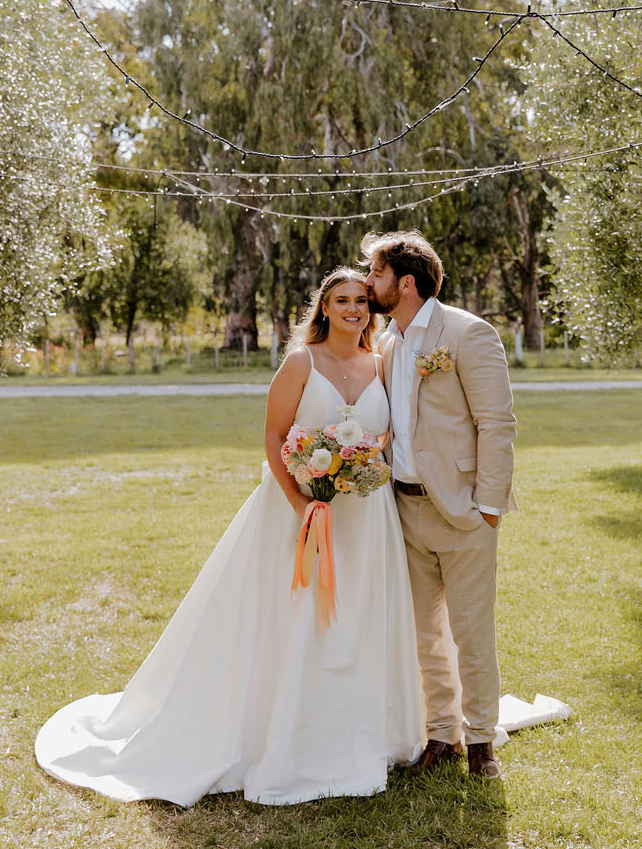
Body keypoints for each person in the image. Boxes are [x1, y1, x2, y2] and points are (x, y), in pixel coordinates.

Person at [35, 268, 424, 806]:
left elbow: (384, 433)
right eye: (342, 300)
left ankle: (363, 729)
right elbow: (272, 434)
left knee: (360, 616)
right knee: (297, 619)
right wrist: (302, 502)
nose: (354, 309)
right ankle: (287, 733)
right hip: (295, 513)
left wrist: (360, 465)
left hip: (365, 516)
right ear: (324, 308)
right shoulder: (301, 362)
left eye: (361, 300)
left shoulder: (381, 361)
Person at [362, 231, 517, 781]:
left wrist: (489, 506)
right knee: (424, 634)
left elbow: (496, 424)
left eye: (375, 274)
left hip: (464, 511)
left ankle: (481, 744)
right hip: (404, 511)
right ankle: (441, 736)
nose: (368, 283)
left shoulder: (467, 333)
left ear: (405, 283)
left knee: (471, 632)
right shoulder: (387, 344)